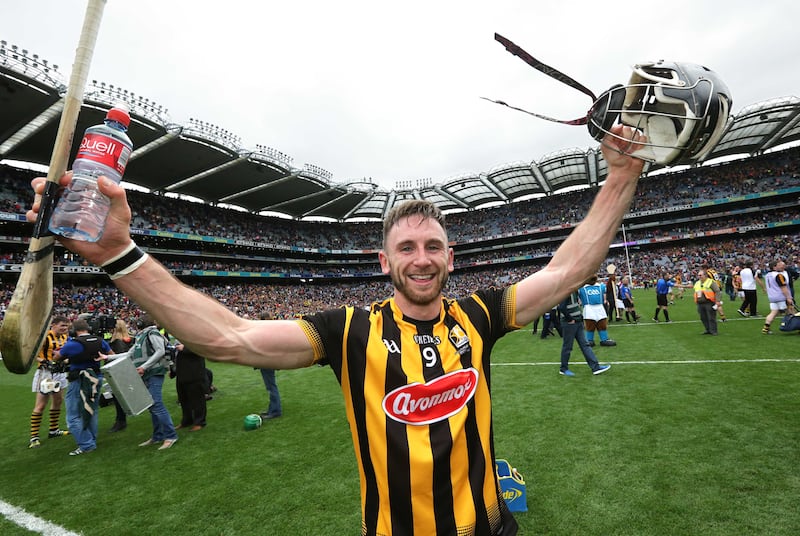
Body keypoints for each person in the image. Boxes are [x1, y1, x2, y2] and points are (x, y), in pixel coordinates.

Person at [27, 124, 645, 535]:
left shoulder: (480, 315)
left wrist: (621, 175)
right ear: (385, 261)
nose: (422, 257)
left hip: (491, 526)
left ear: (451, 257)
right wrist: (117, 253)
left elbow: (569, 270)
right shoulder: (347, 330)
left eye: (434, 245)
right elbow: (230, 338)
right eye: (407, 247)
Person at [101, 315, 179, 450]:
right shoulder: (141, 336)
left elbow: (160, 351)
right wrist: (107, 356)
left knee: (156, 403)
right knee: (151, 404)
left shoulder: (152, 333)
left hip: (153, 372)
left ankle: (170, 435)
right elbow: (129, 354)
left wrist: (145, 366)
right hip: (146, 373)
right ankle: (158, 436)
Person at [57, 318, 112, 455]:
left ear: (74, 331)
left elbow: (57, 357)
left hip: (79, 379)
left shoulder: (73, 344)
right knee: (92, 410)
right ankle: (91, 439)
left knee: (73, 415)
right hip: (96, 377)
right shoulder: (100, 340)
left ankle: (86, 444)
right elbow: (111, 356)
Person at [28, 315, 71, 449]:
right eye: (62, 325)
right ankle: (34, 437)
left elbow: (66, 352)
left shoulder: (65, 337)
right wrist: (44, 362)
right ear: (53, 325)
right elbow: (31, 352)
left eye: (66, 326)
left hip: (60, 373)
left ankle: (53, 430)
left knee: (58, 401)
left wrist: (66, 361)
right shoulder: (45, 337)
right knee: (41, 405)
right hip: (46, 373)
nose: (65, 328)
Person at [557, 290, 611, 377]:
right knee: (568, 347)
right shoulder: (566, 291)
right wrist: (570, 319)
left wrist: (579, 317)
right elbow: (561, 307)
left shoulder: (574, 291)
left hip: (577, 321)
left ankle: (595, 367)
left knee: (585, 345)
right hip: (570, 323)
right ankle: (563, 369)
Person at [171, 342, 208, 431]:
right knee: (183, 399)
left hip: (194, 372)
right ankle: (186, 421)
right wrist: (173, 371)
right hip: (182, 373)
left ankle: (199, 422)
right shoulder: (180, 335)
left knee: (197, 399)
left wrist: (184, 348)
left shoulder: (194, 335)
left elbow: (201, 348)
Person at [107, 318, 134, 433]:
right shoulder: (128, 339)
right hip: (126, 370)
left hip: (117, 371)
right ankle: (120, 419)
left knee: (118, 396)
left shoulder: (117, 342)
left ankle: (120, 420)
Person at [578, 275, 616, 346]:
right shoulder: (582, 288)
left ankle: (604, 339)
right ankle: (589, 340)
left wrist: (611, 279)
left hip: (600, 308)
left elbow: (609, 288)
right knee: (590, 325)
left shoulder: (601, 286)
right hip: (589, 309)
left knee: (602, 324)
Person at [257, 311, 281, 420]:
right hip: (267, 360)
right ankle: (273, 409)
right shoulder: (271, 329)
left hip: (266, 361)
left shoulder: (265, 331)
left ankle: (275, 411)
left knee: (271, 387)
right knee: (271, 386)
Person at [761, 260, 794, 335]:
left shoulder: (767, 275)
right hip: (781, 296)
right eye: (778, 265)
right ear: (774, 267)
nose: (781, 266)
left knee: (773, 312)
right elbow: (783, 287)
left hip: (772, 297)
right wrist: (788, 297)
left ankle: (766, 328)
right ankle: (794, 326)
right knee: (791, 310)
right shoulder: (778, 275)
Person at [693, 268, 722, 336]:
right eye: (698, 275)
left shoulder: (710, 282)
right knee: (703, 317)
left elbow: (717, 291)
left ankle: (714, 331)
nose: (699, 276)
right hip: (700, 303)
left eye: (700, 275)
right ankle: (708, 329)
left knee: (711, 317)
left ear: (705, 275)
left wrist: (717, 300)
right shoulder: (697, 282)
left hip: (709, 302)